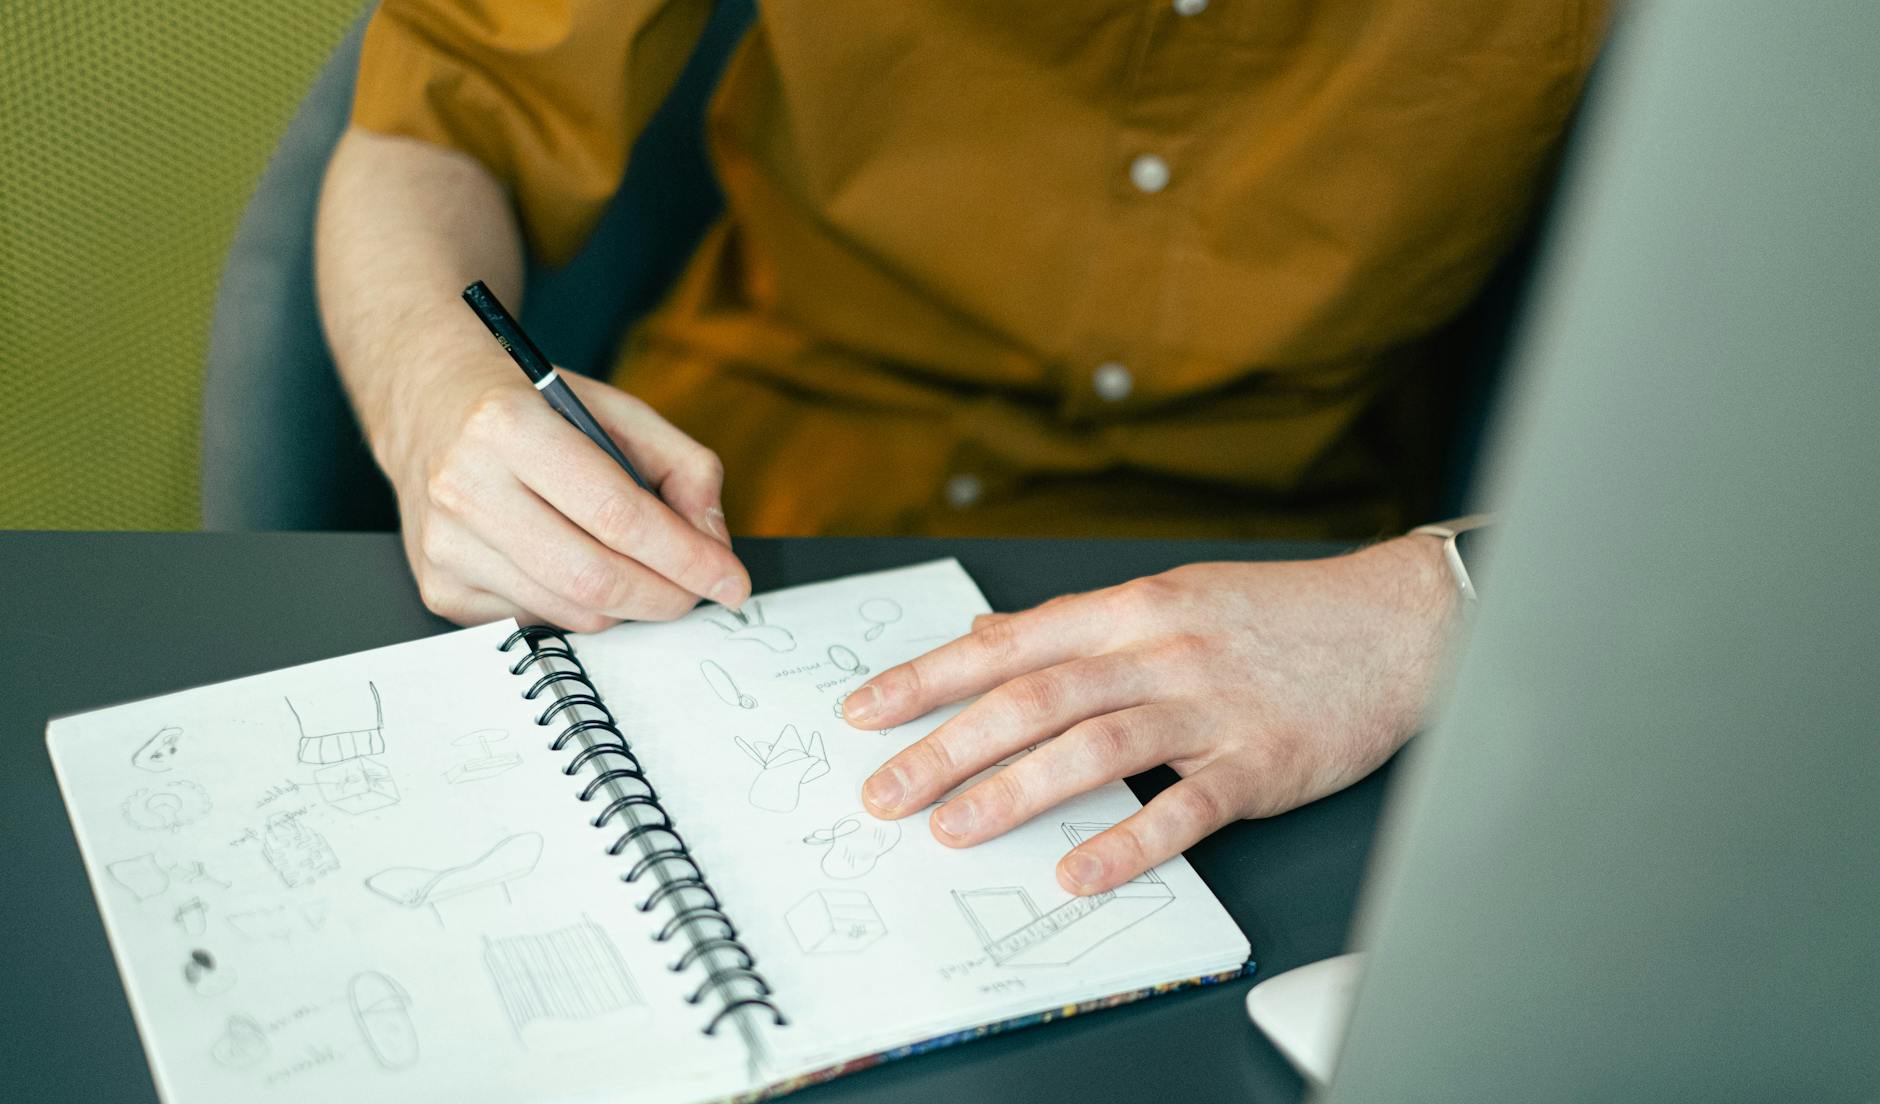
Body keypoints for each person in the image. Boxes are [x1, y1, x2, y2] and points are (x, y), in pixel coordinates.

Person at [316, 1, 1609, 895]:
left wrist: (1441, 600)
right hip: (737, 498)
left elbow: (1751, 381)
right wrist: (430, 390)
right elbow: (447, 115)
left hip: (1282, 603)